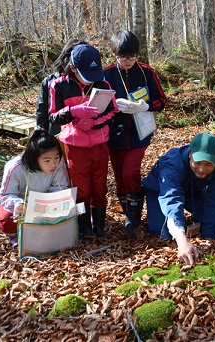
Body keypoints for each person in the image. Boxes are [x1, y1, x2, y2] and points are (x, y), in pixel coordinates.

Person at [49, 43, 118, 239]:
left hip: (99, 143)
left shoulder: (103, 85)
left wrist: (94, 122)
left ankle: (99, 226)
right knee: (81, 189)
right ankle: (84, 226)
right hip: (74, 145)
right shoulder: (59, 85)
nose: (90, 81)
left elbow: (113, 112)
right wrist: (73, 112)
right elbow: (53, 117)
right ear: (72, 68)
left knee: (99, 185)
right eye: (86, 75)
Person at [104, 30, 167, 236]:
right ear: (115, 54)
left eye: (132, 56)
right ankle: (127, 212)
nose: (128, 60)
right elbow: (97, 104)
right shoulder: (106, 75)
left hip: (140, 133)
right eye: (123, 56)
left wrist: (144, 106)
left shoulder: (146, 72)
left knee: (130, 172)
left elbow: (161, 101)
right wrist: (114, 107)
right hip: (114, 134)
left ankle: (133, 218)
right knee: (120, 176)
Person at [142, 133, 215, 265]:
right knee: (162, 233)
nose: (202, 169)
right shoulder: (172, 164)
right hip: (159, 191)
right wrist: (182, 240)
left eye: (208, 165)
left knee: (208, 223)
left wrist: (210, 237)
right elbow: (171, 198)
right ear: (190, 154)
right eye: (198, 162)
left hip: (194, 190)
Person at [0, 129, 70, 247]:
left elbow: (61, 186)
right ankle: (15, 235)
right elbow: (3, 196)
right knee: (7, 221)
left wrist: (56, 203)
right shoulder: (15, 167)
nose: (54, 164)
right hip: (22, 205)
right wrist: (18, 204)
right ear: (34, 159)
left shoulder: (59, 162)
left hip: (46, 203)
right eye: (47, 160)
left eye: (56, 158)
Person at [36, 39, 87, 136]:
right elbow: (42, 113)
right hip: (57, 135)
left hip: (84, 136)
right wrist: (42, 135)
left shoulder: (89, 80)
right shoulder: (50, 82)